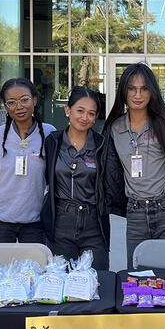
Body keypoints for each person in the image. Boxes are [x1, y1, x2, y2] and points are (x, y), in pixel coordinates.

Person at [102, 63, 165, 261]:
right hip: (136, 214)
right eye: (132, 89)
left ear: (152, 92)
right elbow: (112, 172)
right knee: (138, 276)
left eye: (144, 89)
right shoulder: (114, 129)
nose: (138, 95)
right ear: (123, 91)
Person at [0, 77, 56, 244]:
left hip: (35, 222)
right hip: (0, 222)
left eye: (25, 100)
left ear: (34, 100)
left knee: (33, 270)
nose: (19, 107)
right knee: (0, 269)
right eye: (11, 102)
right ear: (5, 107)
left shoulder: (49, 133)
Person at [41, 87, 111, 269]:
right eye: (80, 110)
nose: (84, 117)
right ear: (67, 110)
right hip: (61, 222)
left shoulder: (101, 145)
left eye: (91, 113)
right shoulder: (53, 142)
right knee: (60, 282)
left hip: (93, 222)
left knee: (98, 280)